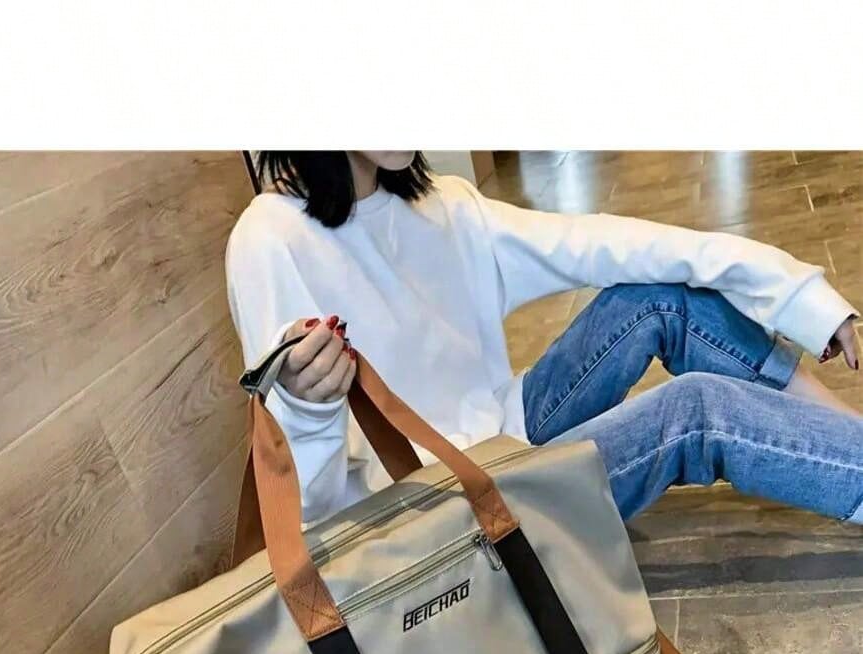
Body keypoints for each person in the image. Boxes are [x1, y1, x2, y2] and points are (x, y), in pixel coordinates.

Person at [225, 151, 863, 527]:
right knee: (696, 409)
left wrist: (800, 297)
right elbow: (308, 509)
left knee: (657, 297)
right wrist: (310, 412)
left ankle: (848, 434)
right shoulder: (270, 241)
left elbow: (613, 243)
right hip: (445, 516)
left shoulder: (444, 205)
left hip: (508, 434)